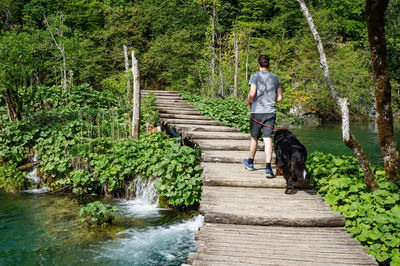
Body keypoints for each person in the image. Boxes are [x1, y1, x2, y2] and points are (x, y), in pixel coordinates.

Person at [243, 55, 283, 178]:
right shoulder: (276, 78)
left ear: (258, 65)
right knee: (267, 139)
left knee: (254, 138)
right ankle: (268, 168)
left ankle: (250, 163)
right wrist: (270, 101)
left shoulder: (255, 76)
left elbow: (252, 93)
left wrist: (249, 102)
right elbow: (280, 98)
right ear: (268, 65)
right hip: (270, 112)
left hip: (257, 112)